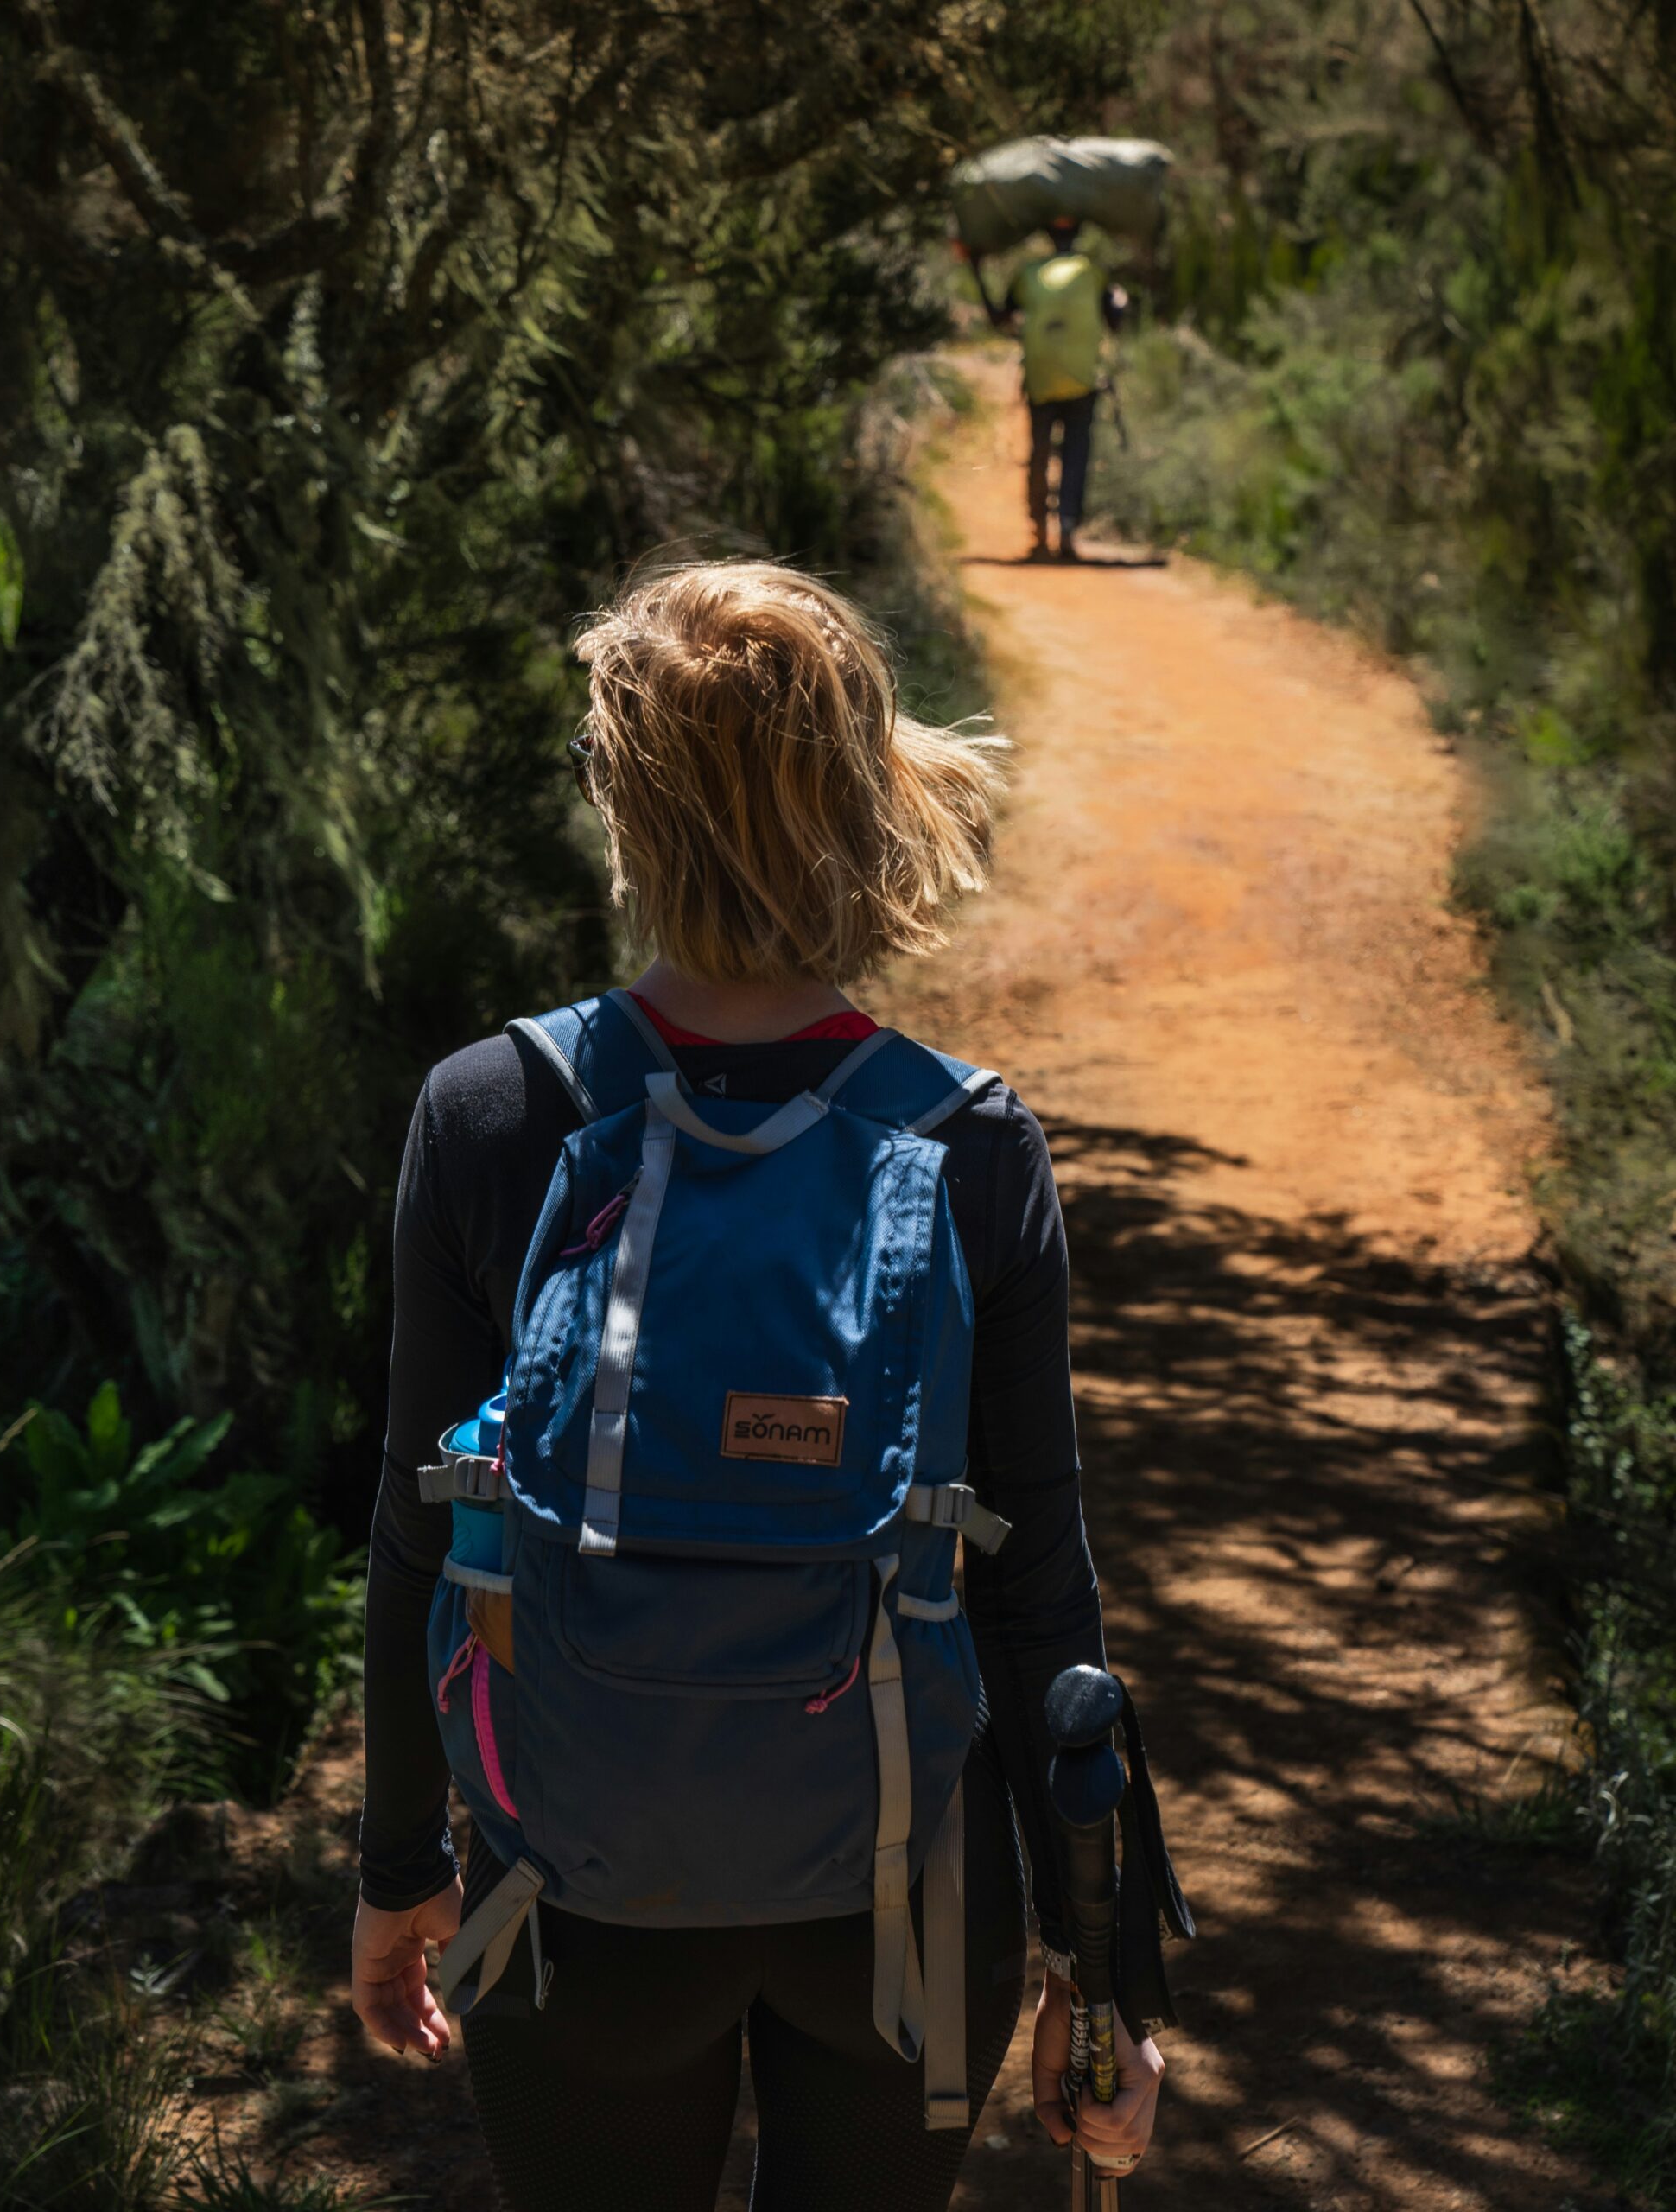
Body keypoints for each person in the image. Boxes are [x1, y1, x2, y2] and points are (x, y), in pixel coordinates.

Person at [350, 561, 1166, 2210]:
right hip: (906, 1890)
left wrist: (396, 1869)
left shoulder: (489, 1111)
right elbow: (1037, 1591)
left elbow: (418, 1533)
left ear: (626, 811)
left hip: (569, 1877)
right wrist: (1103, 1966)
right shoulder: (967, 1142)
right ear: (864, 796)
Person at [980, 219, 1128, 563]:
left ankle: (1039, 533)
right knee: (1076, 455)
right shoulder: (1092, 272)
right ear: (1078, 235)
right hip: (1081, 380)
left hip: (1040, 378)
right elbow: (1116, 318)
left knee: (1040, 453)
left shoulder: (1029, 273)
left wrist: (974, 266)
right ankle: (1067, 528)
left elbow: (1000, 318)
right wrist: (1121, 298)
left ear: (1047, 236)